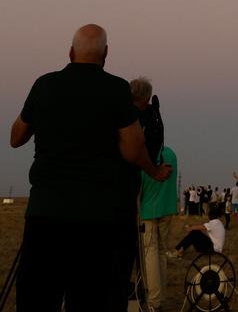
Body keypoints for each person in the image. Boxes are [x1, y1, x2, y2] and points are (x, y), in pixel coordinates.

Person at [9, 23, 173, 312]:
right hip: (96, 218)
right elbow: (133, 148)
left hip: (45, 214)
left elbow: (16, 137)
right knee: (88, 299)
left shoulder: (44, 84)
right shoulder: (116, 89)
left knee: (37, 299)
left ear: (70, 52)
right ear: (105, 54)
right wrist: (155, 172)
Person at [139, 143, 179, 312]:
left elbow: (140, 184)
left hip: (148, 210)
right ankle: (161, 297)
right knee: (162, 252)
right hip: (167, 207)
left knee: (150, 252)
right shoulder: (171, 154)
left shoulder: (144, 152)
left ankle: (153, 301)